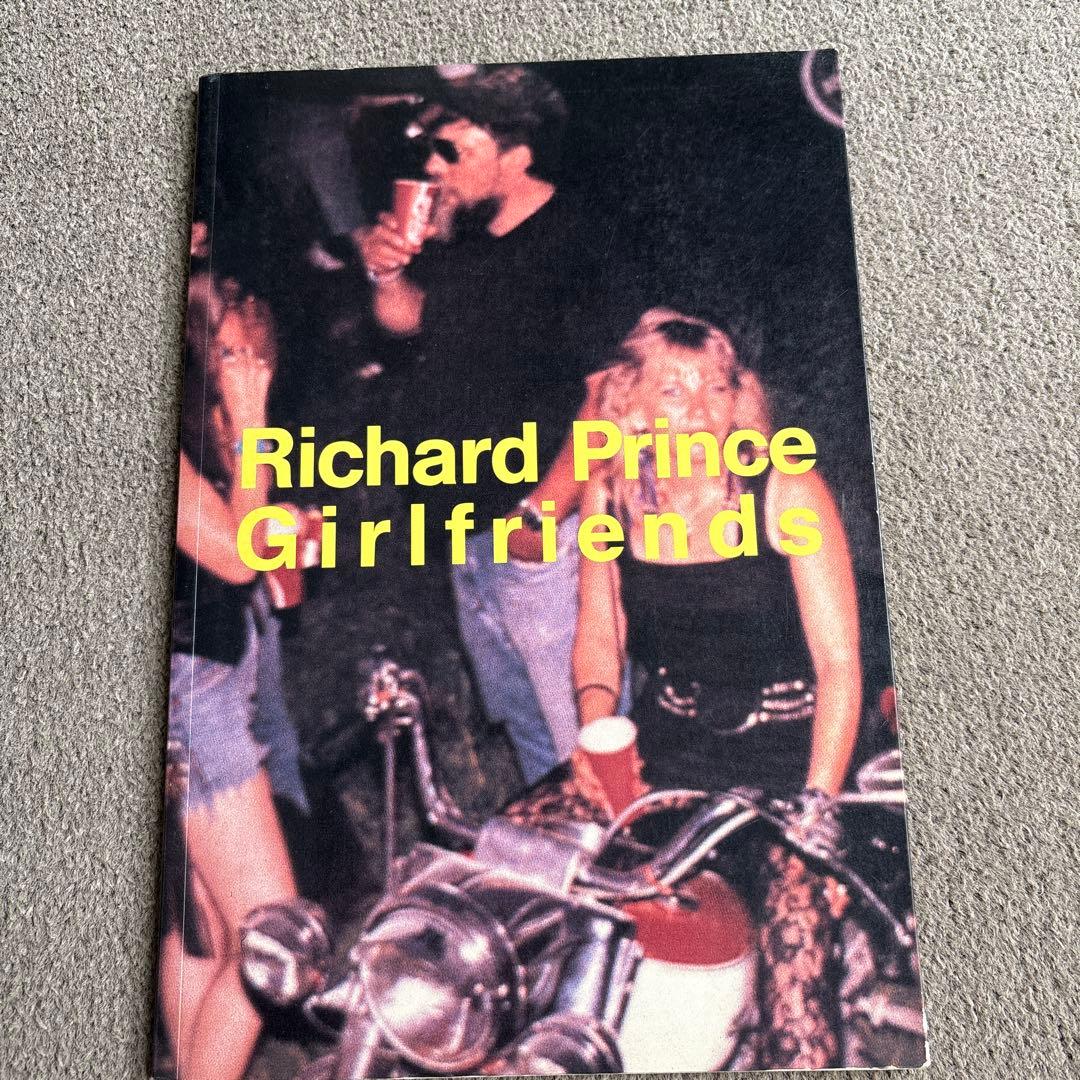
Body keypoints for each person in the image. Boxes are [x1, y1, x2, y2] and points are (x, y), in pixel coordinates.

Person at [571, 308, 862, 1068]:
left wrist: (818, 814)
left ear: (740, 398)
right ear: (630, 404)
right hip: (671, 745)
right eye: (674, 390)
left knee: (796, 1008)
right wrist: (596, 730)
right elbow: (600, 631)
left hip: (793, 760)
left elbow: (840, 667)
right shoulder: (610, 496)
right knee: (532, 877)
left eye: (717, 387)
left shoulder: (787, 490)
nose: (700, 410)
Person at [358, 66, 633, 784]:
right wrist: (388, 273)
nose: (432, 166)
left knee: (588, 745)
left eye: (452, 150)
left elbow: (608, 397)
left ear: (517, 155)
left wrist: (542, 514)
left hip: (543, 528)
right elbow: (408, 324)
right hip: (468, 528)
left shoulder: (578, 238)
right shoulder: (467, 238)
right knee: (529, 734)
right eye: (429, 149)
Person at [158, 274, 309, 1080]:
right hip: (193, 694)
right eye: (230, 353)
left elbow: (237, 528)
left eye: (256, 352)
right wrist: (252, 422)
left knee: (204, 930)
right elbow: (237, 554)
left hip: (203, 678)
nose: (251, 367)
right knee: (271, 938)